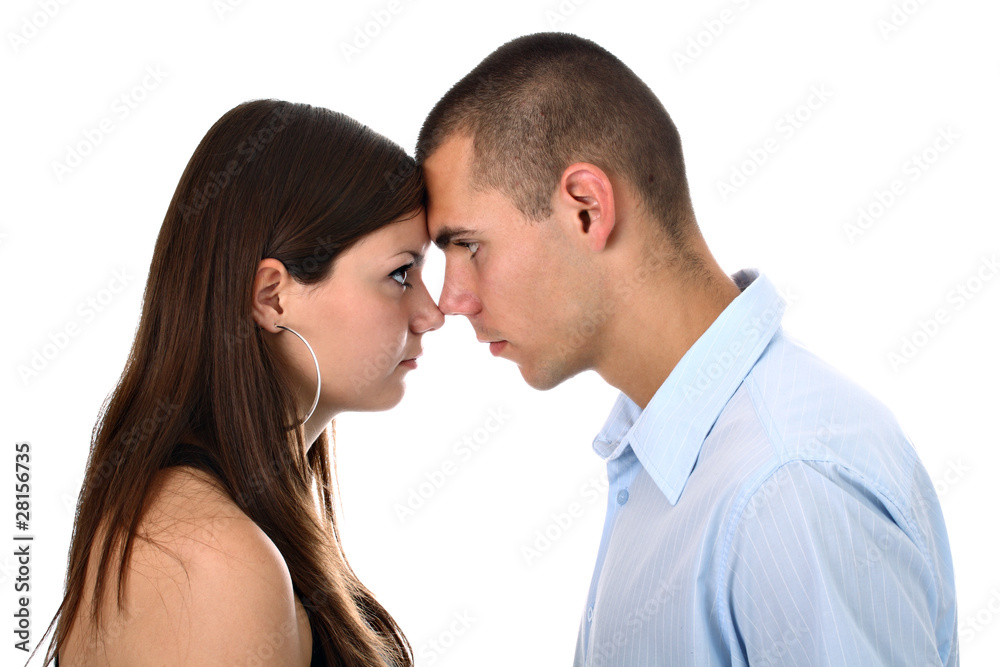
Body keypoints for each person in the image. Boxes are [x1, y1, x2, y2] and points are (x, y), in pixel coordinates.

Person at [416, 32, 958, 666]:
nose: (451, 300)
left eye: (469, 246)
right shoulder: (676, 451)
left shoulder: (786, 484)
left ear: (587, 209)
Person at [39, 99, 443, 666]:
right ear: (271, 296)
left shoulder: (215, 525)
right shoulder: (210, 560)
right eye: (401, 273)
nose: (433, 312)